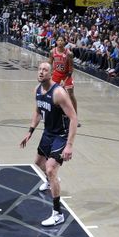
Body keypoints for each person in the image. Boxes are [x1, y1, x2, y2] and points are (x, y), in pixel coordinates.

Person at [19, 61, 79, 227]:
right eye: (39, 69)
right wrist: (30, 131)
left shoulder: (58, 93)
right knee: (38, 163)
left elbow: (74, 118)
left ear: (51, 73)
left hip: (61, 135)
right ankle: (52, 180)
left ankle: (57, 213)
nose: (41, 72)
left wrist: (69, 145)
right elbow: (38, 111)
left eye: (45, 70)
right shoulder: (37, 90)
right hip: (48, 133)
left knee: (51, 168)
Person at [49, 36, 79, 126]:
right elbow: (49, 63)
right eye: (59, 40)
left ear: (64, 42)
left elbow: (71, 69)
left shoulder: (69, 53)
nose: (60, 42)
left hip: (66, 76)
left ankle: (75, 117)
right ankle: (52, 115)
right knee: (52, 95)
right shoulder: (52, 52)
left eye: (62, 40)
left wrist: (65, 80)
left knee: (71, 95)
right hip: (56, 75)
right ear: (56, 42)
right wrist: (49, 73)